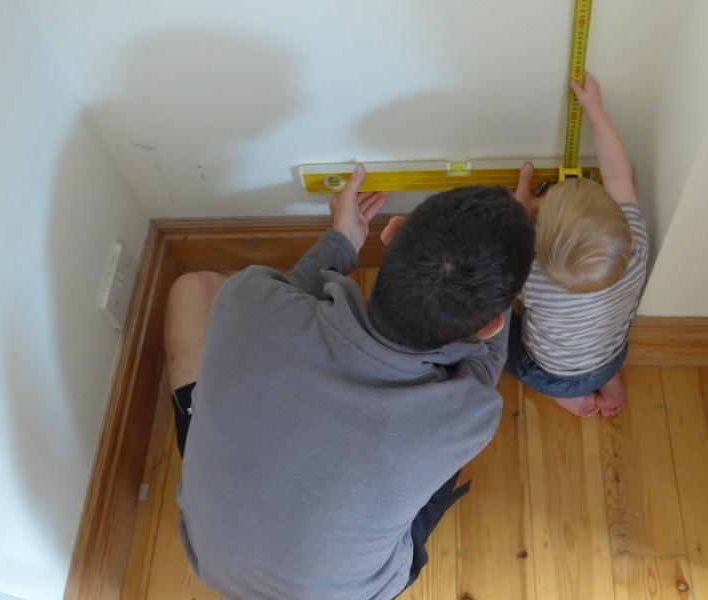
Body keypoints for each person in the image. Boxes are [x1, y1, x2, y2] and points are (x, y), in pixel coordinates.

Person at [163, 166, 534, 600]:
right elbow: (485, 359)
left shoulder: (248, 297)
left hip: (212, 556)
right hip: (344, 593)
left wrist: (341, 240)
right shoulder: (468, 415)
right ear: (492, 325)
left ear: (391, 232)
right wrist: (512, 250)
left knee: (194, 288)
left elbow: (290, 291)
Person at [508, 71, 650, 418]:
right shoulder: (636, 250)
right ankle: (609, 381)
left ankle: (572, 399)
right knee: (599, 350)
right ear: (627, 236)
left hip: (553, 374)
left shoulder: (531, 279)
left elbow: (506, 249)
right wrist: (596, 111)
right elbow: (618, 175)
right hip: (611, 354)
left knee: (495, 337)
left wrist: (520, 207)